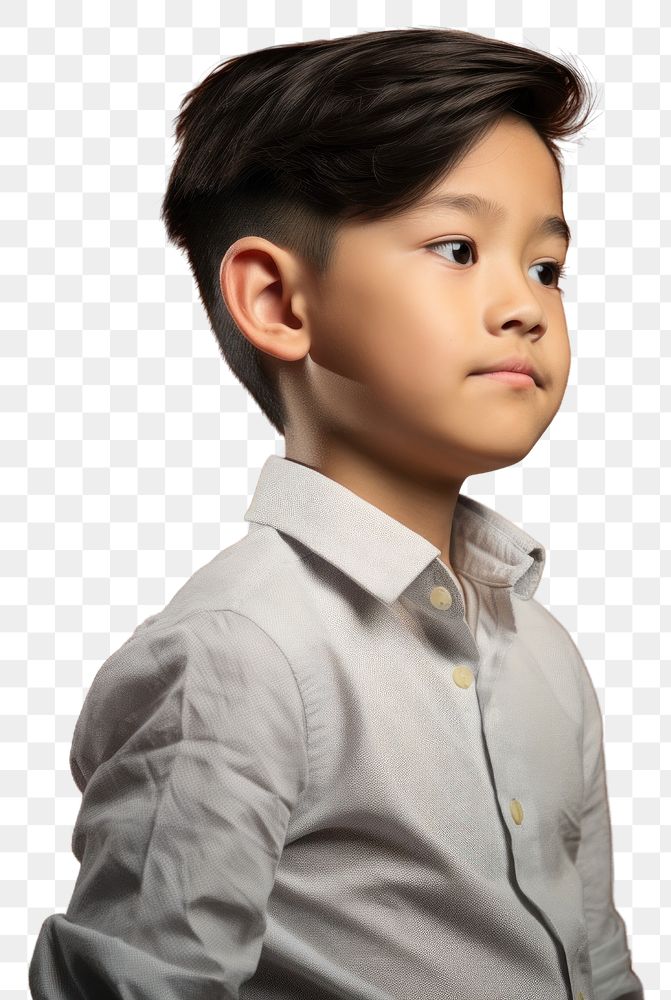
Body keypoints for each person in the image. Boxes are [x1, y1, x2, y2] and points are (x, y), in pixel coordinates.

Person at [29, 26, 645, 1000]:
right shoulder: (240, 653)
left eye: (544, 267)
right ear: (276, 300)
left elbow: (595, 959)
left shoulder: (542, 651)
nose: (525, 307)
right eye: (456, 247)